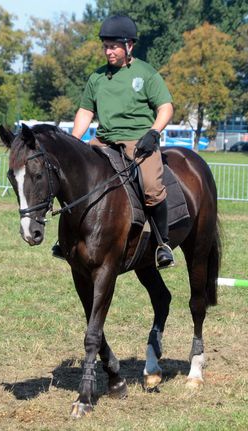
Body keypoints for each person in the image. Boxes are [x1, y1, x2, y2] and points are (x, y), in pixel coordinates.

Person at [52, 15, 175, 268]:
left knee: (151, 185)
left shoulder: (146, 73)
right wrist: (74, 141)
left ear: (129, 45)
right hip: (104, 140)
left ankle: (163, 244)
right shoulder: (96, 78)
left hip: (138, 142)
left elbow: (165, 107)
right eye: (105, 46)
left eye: (113, 46)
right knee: (74, 177)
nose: (108, 51)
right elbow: (86, 111)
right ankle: (65, 239)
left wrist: (153, 132)